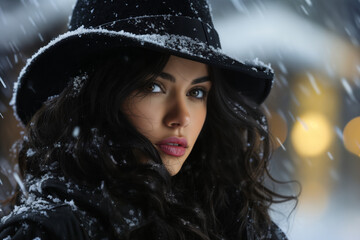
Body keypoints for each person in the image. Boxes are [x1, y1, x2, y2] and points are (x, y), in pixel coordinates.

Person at [0, 0, 297, 239]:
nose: (181, 117)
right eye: (154, 87)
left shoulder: (236, 221)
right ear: (97, 97)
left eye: (196, 92)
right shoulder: (49, 231)